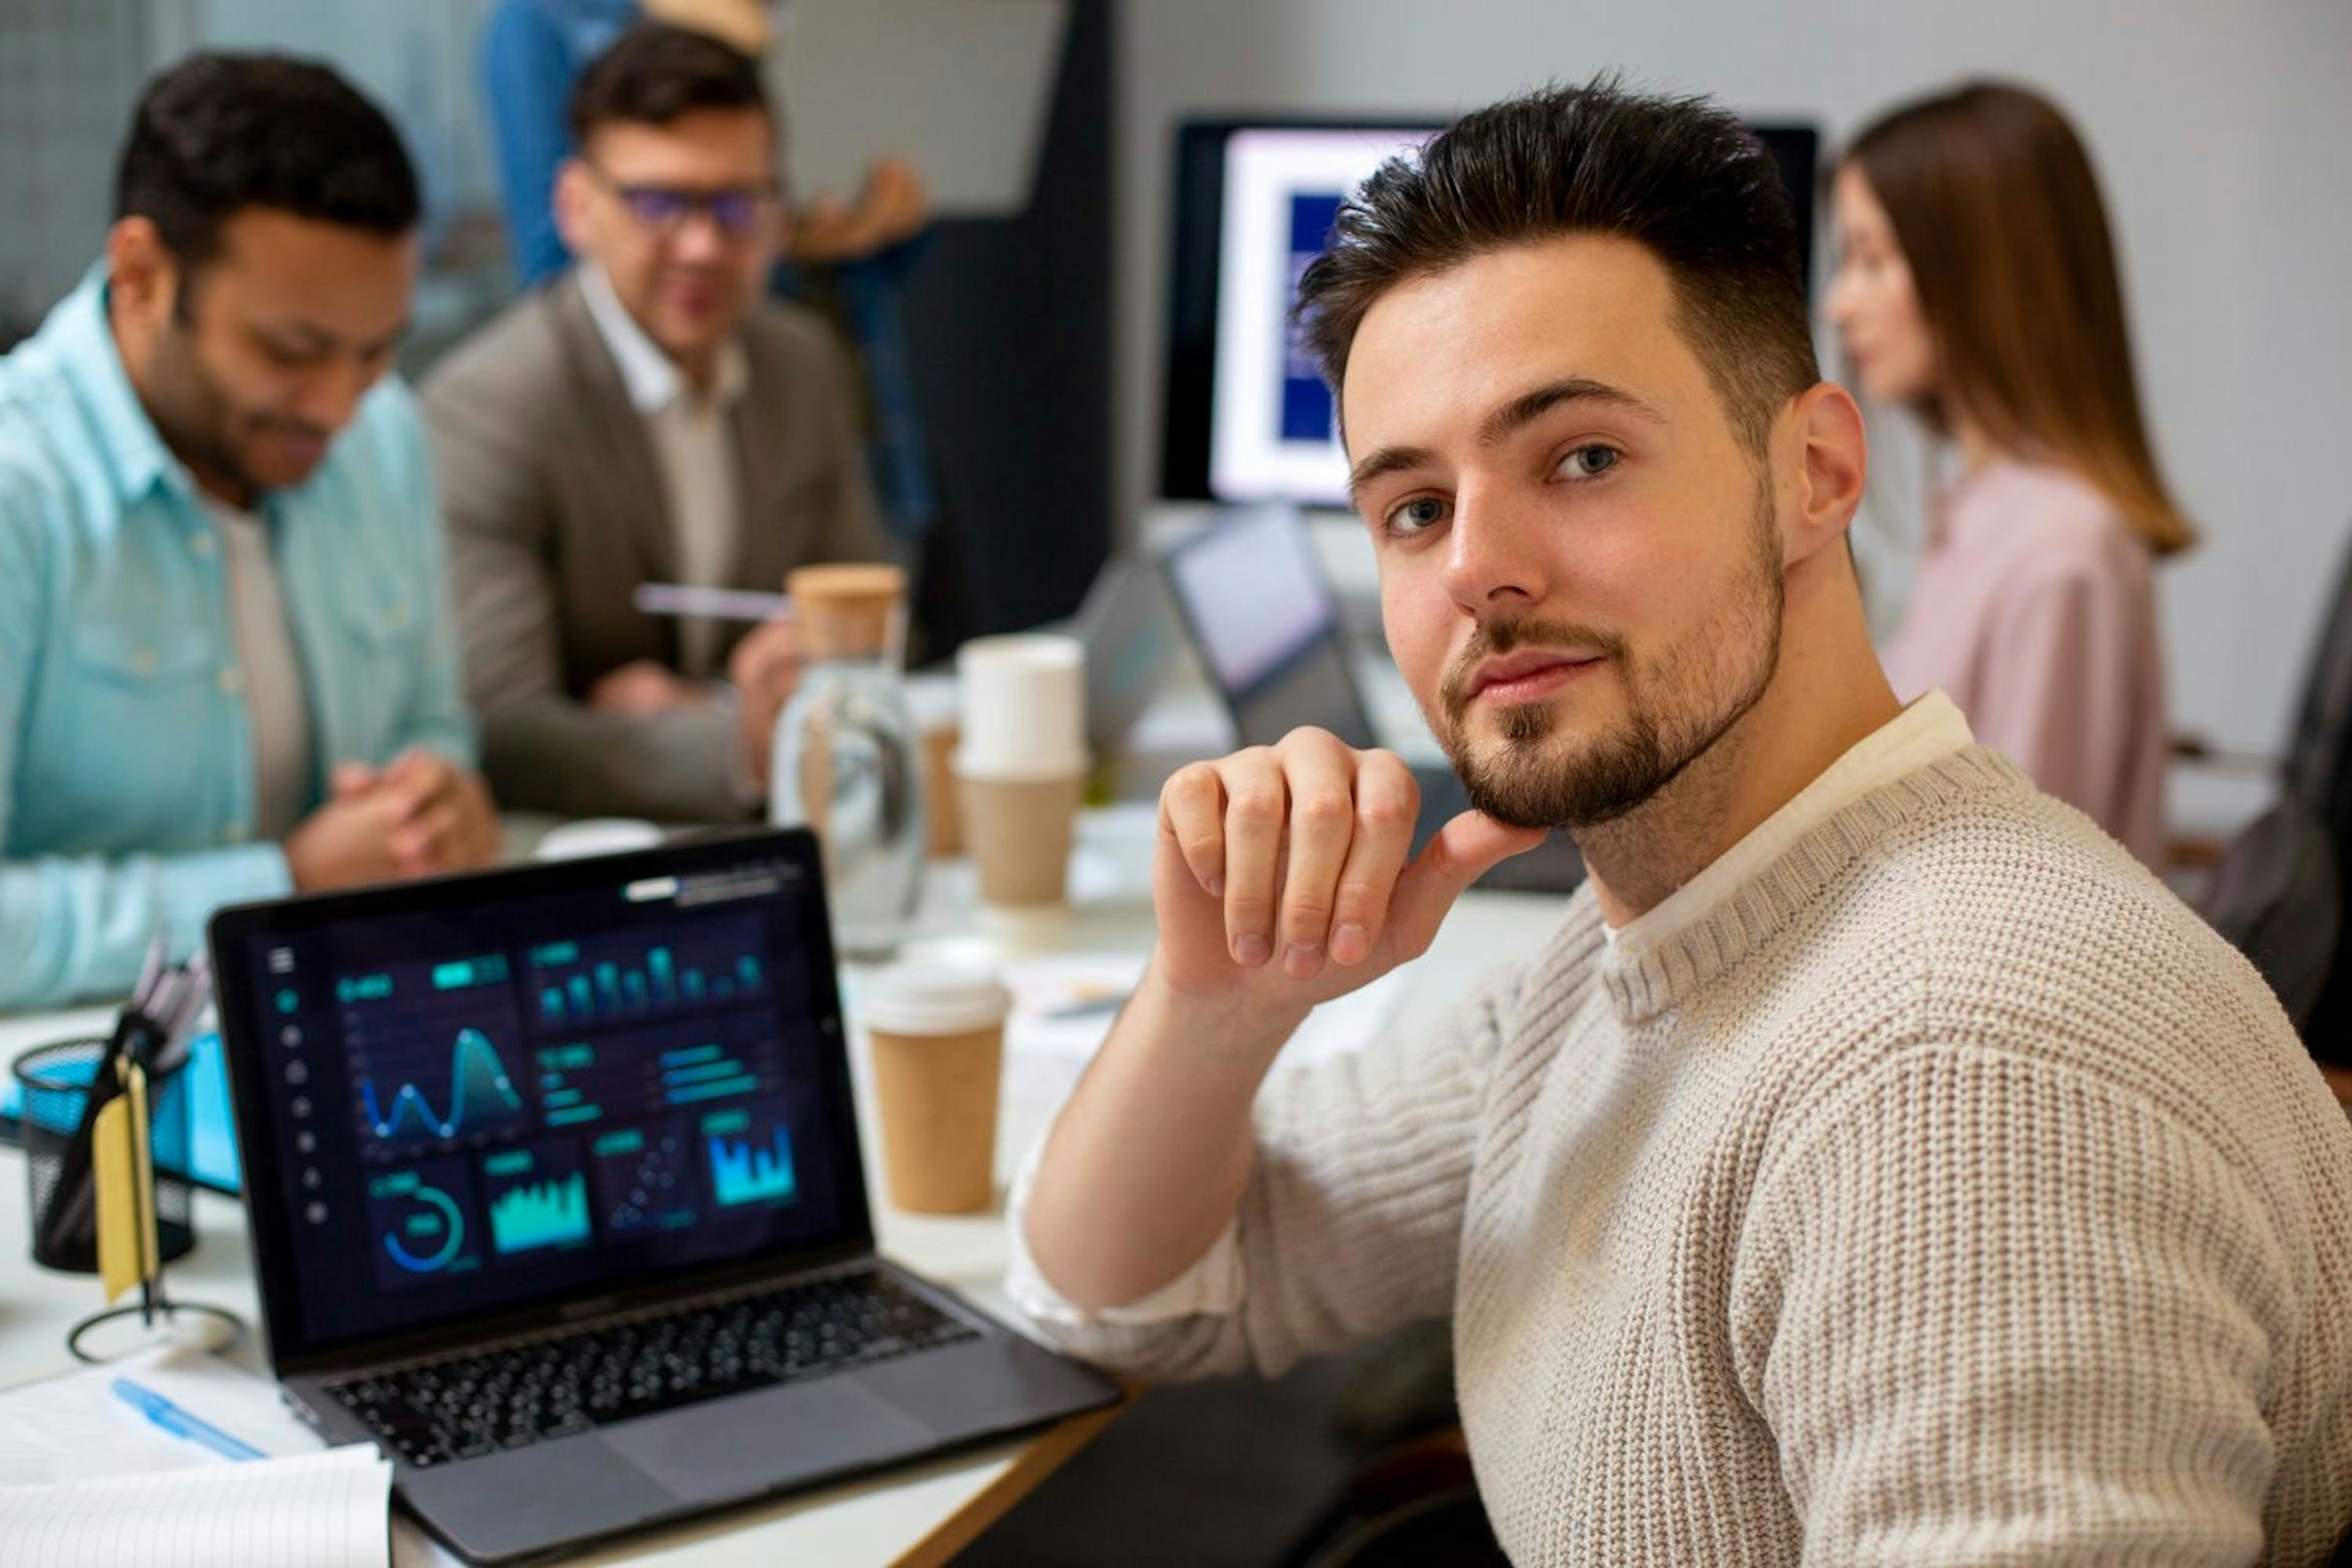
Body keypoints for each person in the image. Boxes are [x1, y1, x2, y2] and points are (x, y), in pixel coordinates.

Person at [1009, 80, 2352, 1566]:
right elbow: (1127, 1289)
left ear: (1813, 473)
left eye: (1578, 457)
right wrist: (1217, 1002)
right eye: (1412, 508)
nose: (1478, 568)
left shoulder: (1962, 1071)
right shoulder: (1644, 933)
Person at [0, 55, 497, 1011]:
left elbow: (436, 723)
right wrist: (278, 886)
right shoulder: (24, 491)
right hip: (80, 1097)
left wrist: (436, 806)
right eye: (293, 351)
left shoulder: (382, 433)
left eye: (377, 349)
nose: (339, 404)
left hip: (346, 1027)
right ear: (143, 276)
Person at [424, 22, 885, 822]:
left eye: (740, 205)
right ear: (575, 207)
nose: (704, 246)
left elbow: (872, 625)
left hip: (794, 831)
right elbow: (504, 732)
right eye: (659, 204)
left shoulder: (802, 364)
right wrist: (735, 738)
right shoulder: (491, 405)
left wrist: (697, 713)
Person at [1826, 82, 2187, 868]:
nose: (1838, 304)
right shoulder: (1986, 515)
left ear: (1982, 273)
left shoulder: (2060, 557)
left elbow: (2025, 884)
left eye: (1871, 259)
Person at [478, 0, 935, 546]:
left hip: (848, 403)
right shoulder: (550, 21)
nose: (700, 243)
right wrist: (768, 231)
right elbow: (558, 273)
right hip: (664, 437)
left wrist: (878, 216)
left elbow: (871, 265)